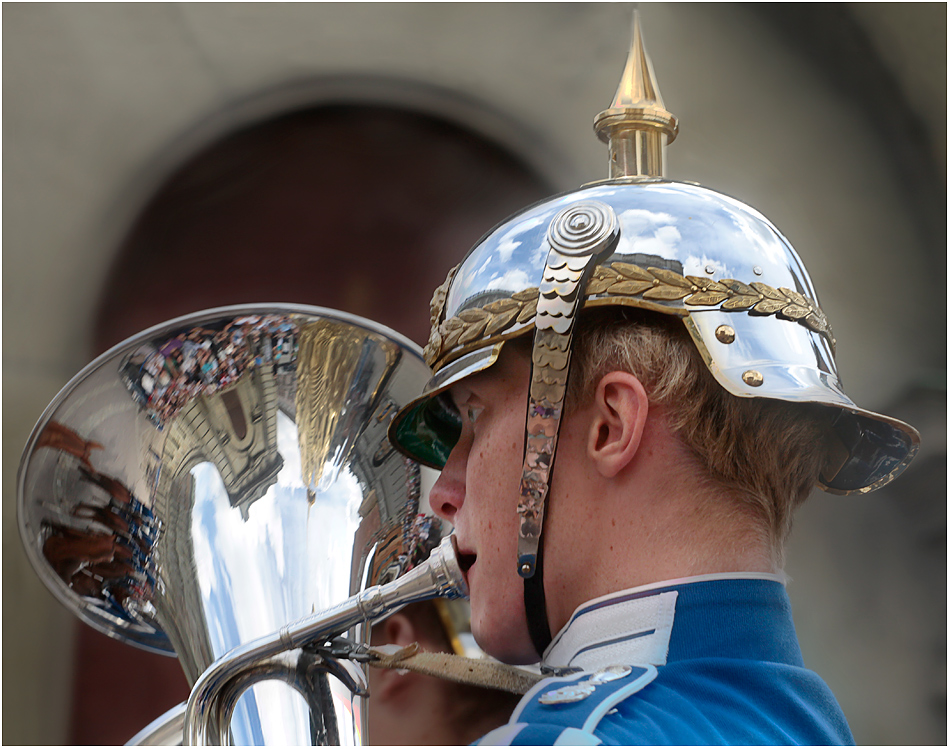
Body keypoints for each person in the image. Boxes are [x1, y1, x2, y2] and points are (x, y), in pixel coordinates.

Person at [386, 15, 919, 746]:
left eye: (473, 416)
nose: (443, 489)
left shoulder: (577, 737)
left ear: (612, 423)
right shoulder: (810, 724)